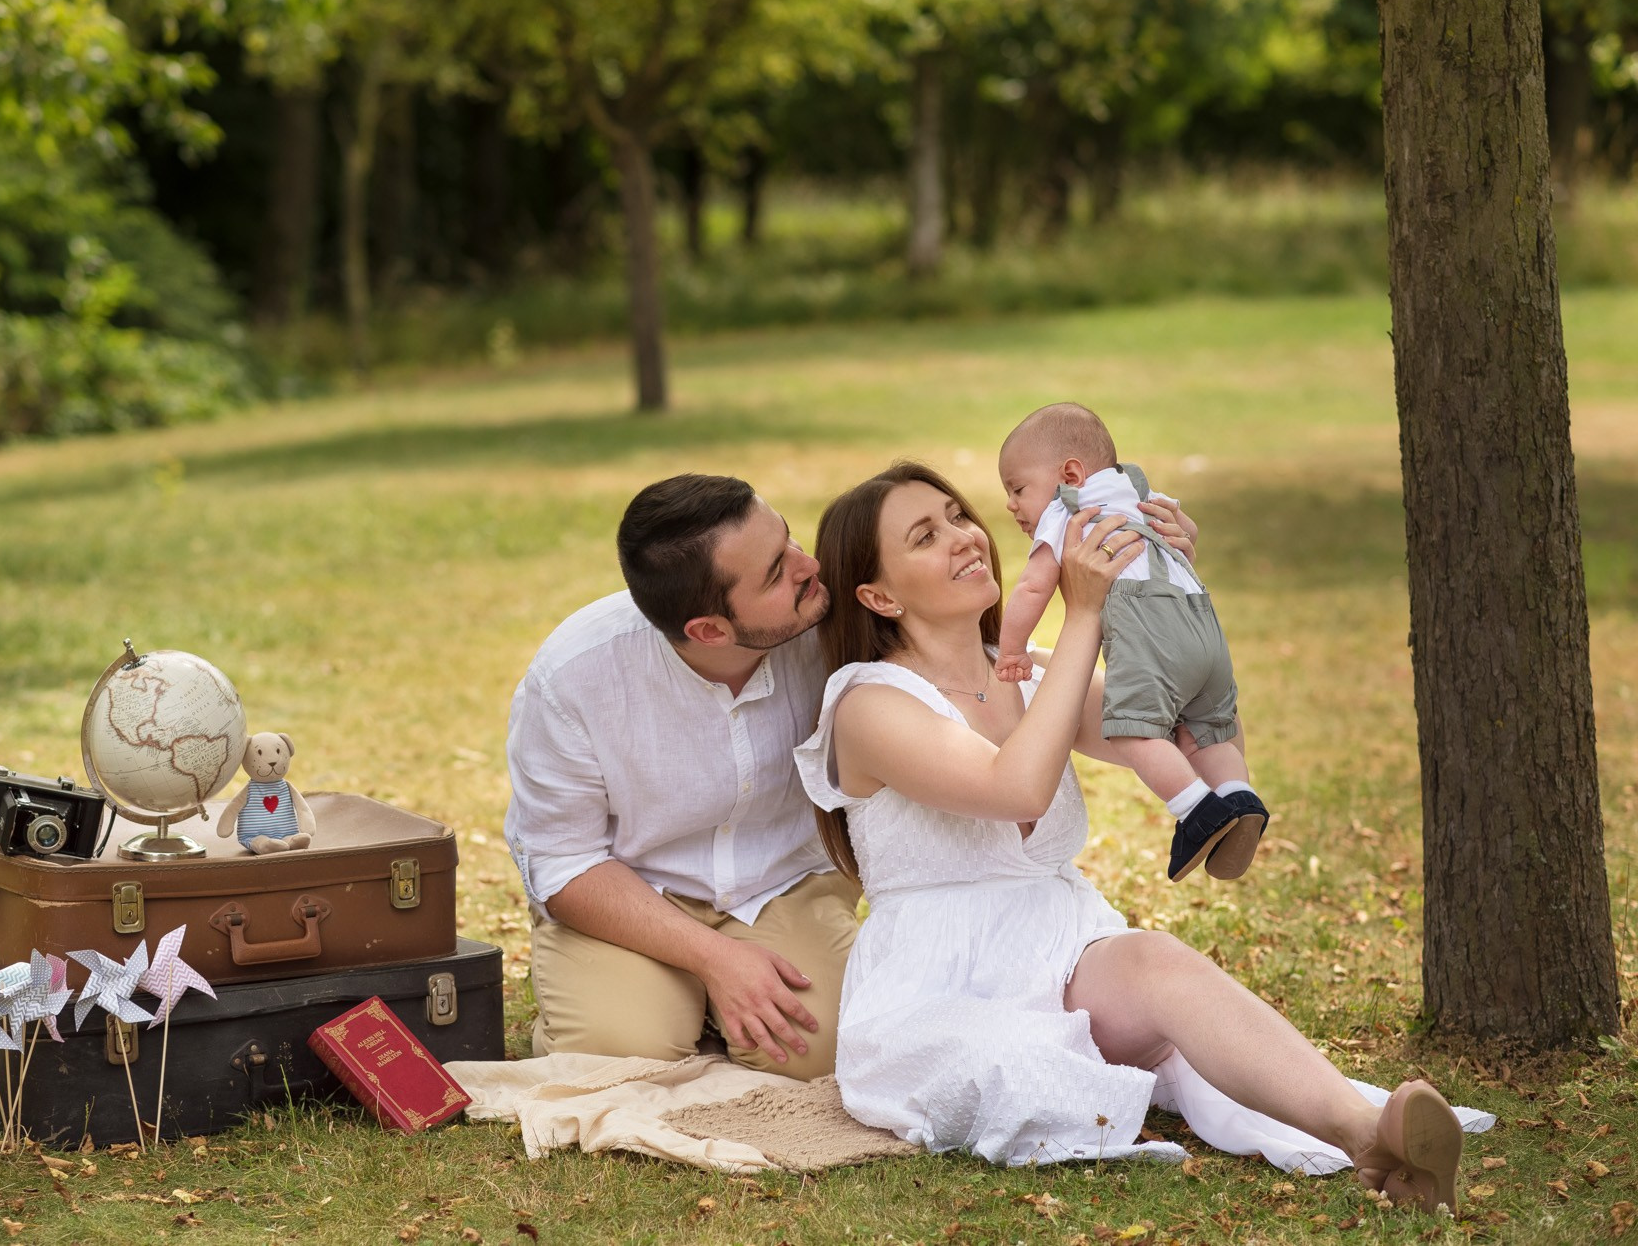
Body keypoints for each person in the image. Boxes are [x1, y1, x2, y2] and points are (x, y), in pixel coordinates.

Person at [792, 460, 1481, 1209]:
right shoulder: (868, 705)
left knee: (1155, 959)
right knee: (1017, 1064)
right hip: (936, 983)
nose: (964, 538)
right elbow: (1011, 786)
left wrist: (1172, 582)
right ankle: (1301, 1120)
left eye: (959, 515)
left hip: (1056, 941)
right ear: (878, 594)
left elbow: (1194, 728)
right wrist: (1083, 613)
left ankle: (1366, 1134)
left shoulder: (1029, 676)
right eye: (926, 535)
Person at [502, 470, 1197, 1080]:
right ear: (710, 629)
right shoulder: (574, 678)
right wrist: (714, 957)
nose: (808, 567)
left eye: (790, 540)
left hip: (782, 886)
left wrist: (1148, 565)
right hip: (633, 896)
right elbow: (564, 861)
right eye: (776, 572)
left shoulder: (834, 622)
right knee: (619, 1054)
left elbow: (971, 640)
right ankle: (667, 995)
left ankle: (723, 1007)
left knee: (839, 1047)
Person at [994, 402, 1266, 882]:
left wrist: (1013, 648)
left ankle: (1198, 811)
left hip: (1151, 631)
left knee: (1131, 730)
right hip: (1201, 621)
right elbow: (1182, 528)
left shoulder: (1068, 509)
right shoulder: (1134, 487)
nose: (1011, 505)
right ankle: (1239, 796)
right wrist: (1189, 535)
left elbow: (1033, 586)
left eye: (1017, 489)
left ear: (1070, 474)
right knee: (1205, 729)